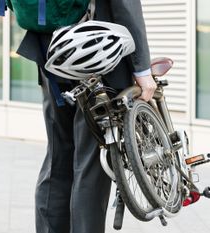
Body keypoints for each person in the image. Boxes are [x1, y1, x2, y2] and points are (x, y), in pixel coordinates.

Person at [15, 0, 155, 232]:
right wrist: (142, 68)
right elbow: (125, 5)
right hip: (95, 49)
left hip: (51, 51)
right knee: (92, 164)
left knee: (58, 157)